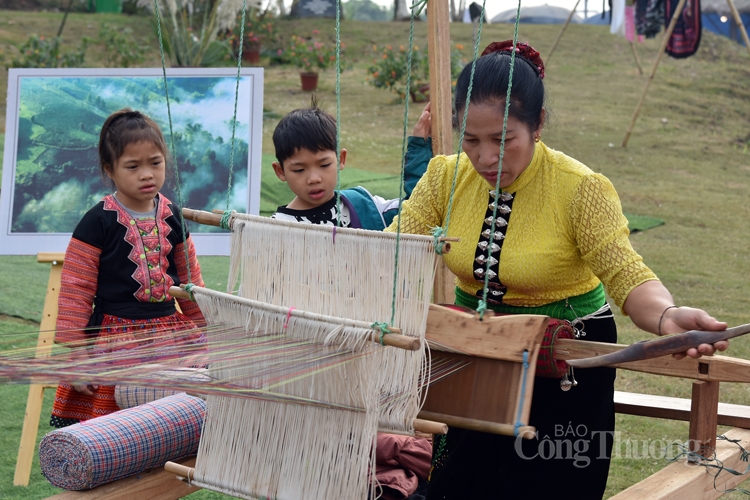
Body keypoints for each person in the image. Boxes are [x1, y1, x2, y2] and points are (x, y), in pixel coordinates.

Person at [386, 40, 729, 499]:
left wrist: (668, 318)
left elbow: (627, 274)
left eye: (503, 140)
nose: (486, 157)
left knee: (551, 485)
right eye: (471, 140)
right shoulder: (443, 178)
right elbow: (389, 251)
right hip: (478, 355)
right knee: (460, 487)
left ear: (538, 125)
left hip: (566, 359)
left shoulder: (579, 189)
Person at [50, 108, 207, 428]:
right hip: (114, 342)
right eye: (133, 166)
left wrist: (207, 332)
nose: (147, 174)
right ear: (110, 169)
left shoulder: (173, 216)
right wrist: (78, 356)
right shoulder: (97, 221)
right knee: (119, 428)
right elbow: (76, 289)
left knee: (173, 422)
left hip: (171, 337)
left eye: (155, 163)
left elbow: (191, 283)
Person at [271, 100, 433, 230]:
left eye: (324, 165)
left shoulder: (365, 206)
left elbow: (417, 210)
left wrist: (419, 148)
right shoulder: (275, 229)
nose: (314, 179)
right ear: (280, 171)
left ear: (341, 159)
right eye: (299, 170)